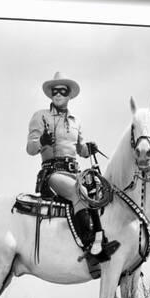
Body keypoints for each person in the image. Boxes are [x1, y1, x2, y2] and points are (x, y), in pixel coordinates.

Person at [26, 72, 119, 263]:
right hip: (52, 173)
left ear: (69, 95)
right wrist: (42, 141)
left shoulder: (76, 121)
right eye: (54, 91)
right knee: (80, 192)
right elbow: (30, 148)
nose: (58, 94)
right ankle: (89, 244)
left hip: (75, 171)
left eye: (62, 91)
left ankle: (101, 237)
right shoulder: (40, 116)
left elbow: (80, 149)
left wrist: (88, 148)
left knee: (99, 191)